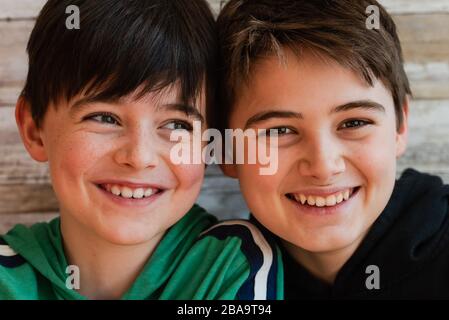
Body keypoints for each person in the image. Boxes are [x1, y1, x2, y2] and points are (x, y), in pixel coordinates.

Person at [168, 0, 449, 299]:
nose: (324, 166)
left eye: (354, 122)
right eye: (279, 130)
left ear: (400, 125)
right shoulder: (216, 285)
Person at [0, 0, 219, 300]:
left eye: (177, 125)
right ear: (34, 130)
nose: (139, 157)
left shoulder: (231, 265)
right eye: (104, 118)